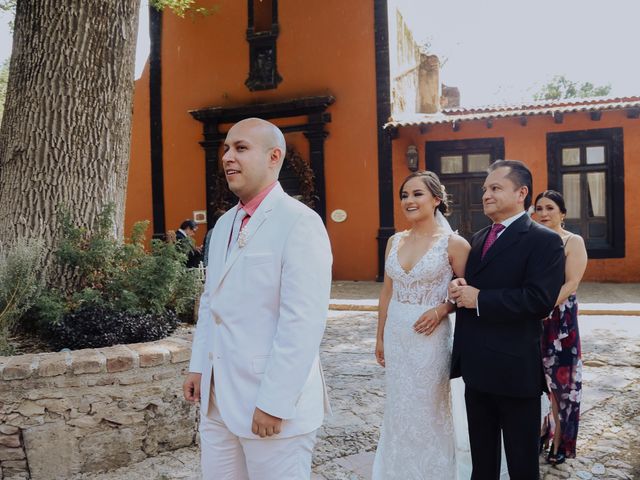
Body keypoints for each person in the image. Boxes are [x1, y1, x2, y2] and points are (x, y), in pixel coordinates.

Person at [183, 118, 332, 480]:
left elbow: (302, 323)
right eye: (226, 148)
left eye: (241, 148)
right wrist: (199, 365)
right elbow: (211, 302)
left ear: (273, 156)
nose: (228, 157)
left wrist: (274, 402)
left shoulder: (299, 223)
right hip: (218, 400)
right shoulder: (221, 227)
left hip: (269, 403)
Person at [449, 160, 565, 480]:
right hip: (476, 369)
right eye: (485, 189)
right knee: (482, 465)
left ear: (521, 193)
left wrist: (480, 299)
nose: (486, 194)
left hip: (515, 373)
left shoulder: (544, 240)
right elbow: (472, 286)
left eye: (495, 188)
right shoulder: (479, 237)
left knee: (521, 466)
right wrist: (459, 288)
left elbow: (539, 300)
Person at [372, 170, 471, 479]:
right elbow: (387, 292)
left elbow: (468, 295)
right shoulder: (394, 241)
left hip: (430, 339)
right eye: (404, 195)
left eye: (417, 194)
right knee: (400, 407)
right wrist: (379, 339)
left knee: (428, 408)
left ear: (436, 199)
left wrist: (442, 309)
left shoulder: (454, 245)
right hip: (397, 335)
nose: (409, 200)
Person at [534, 190, 587, 465]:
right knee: (538, 382)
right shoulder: (534, 243)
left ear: (562, 213)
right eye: (539, 208)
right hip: (533, 320)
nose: (543, 213)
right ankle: (543, 432)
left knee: (561, 386)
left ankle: (560, 442)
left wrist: (543, 307)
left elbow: (572, 283)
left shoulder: (572, 241)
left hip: (560, 321)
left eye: (550, 208)